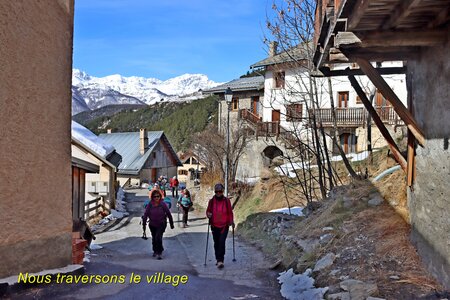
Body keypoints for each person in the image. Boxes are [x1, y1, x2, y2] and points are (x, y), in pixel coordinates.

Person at [206, 183, 234, 269]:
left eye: (220, 191)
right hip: (214, 226)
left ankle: (220, 260)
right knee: (216, 243)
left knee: (222, 242)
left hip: (224, 225)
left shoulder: (227, 201)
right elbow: (208, 211)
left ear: (222, 191)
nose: (218, 193)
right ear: (215, 192)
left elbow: (230, 212)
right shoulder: (211, 201)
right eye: (216, 191)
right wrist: (208, 214)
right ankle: (218, 258)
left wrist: (231, 221)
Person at [142, 189, 174, 260]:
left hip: (161, 223)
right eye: (155, 196)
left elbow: (168, 213)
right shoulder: (150, 204)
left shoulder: (163, 204)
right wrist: (144, 223)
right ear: (152, 197)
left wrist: (171, 224)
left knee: (158, 237)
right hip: (152, 224)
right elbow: (146, 214)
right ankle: (155, 250)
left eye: (158, 196)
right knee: (154, 238)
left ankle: (159, 252)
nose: (156, 198)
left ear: (160, 196)